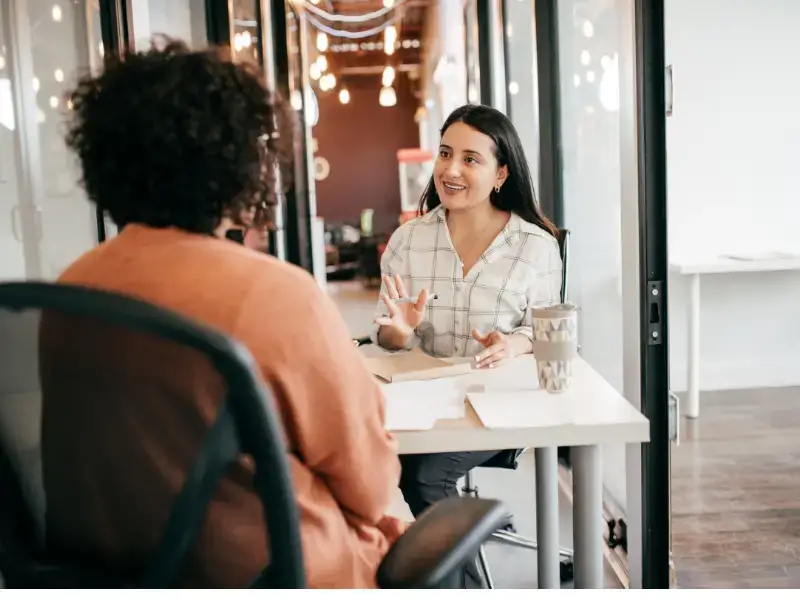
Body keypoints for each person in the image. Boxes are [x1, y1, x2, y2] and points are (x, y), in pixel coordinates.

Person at [39, 38, 404, 588]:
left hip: (116, 574)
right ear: (234, 163)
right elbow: (371, 486)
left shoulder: (73, 288)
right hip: (268, 574)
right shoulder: (276, 295)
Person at [371, 104, 563, 585]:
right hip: (424, 401)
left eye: (470, 159)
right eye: (445, 154)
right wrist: (399, 331)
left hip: (497, 404)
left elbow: (546, 329)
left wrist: (514, 344)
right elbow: (386, 336)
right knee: (395, 461)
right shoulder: (408, 241)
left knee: (423, 476)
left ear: (501, 173)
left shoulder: (535, 245)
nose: (450, 170)